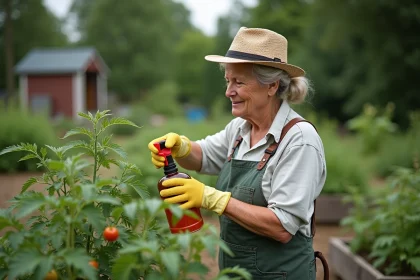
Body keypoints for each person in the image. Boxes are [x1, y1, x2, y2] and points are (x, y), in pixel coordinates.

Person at [148, 27, 329, 280]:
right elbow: (204, 157)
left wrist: (213, 199)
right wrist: (182, 148)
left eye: (239, 82)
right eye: (228, 81)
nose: (228, 91)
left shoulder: (299, 140)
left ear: (272, 86)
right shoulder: (241, 128)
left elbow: (282, 226)